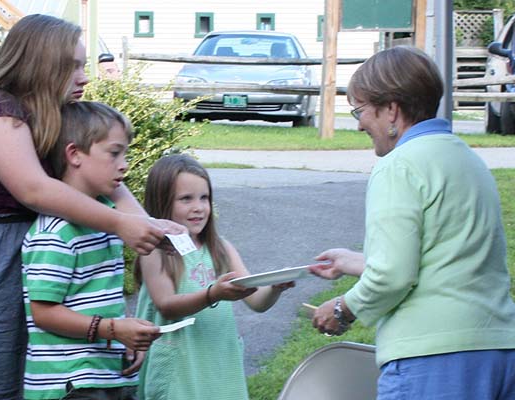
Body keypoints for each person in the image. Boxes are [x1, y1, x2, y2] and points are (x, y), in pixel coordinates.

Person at [0, 14, 181, 400]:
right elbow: (34, 189)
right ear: (40, 62)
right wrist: (121, 225)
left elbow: (110, 183)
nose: (83, 77)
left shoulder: (61, 120)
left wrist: (152, 230)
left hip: (44, 267)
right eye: (71, 65)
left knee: (41, 383)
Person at [308, 46, 515, 400]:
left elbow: (393, 276)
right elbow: (445, 256)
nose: (359, 124)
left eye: (361, 111)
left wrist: (344, 310)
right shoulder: (467, 159)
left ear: (392, 109)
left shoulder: (399, 165)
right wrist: (351, 261)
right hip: (498, 350)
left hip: (432, 356)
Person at [22, 101, 160, 400]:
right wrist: (114, 329)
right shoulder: (56, 233)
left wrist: (125, 338)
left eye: (125, 153)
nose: (124, 163)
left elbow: (99, 298)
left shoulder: (109, 221)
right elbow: (44, 313)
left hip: (107, 375)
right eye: (114, 153)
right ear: (74, 155)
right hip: (69, 383)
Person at [134, 154, 294, 400]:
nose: (198, 207)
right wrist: (213, 294)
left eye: (204, 198)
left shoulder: (221, 248)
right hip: (179, 366)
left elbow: (257, 302)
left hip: (219, 363)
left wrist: (274, 288)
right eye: (186, 199)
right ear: (162, 202)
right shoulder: (156, 251)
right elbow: (166, 305)